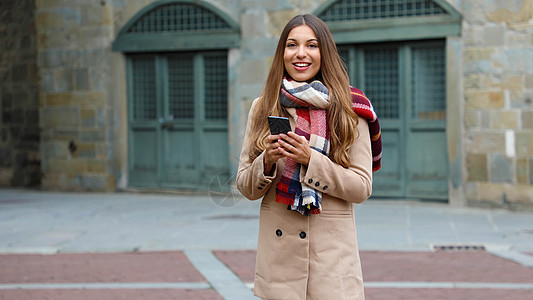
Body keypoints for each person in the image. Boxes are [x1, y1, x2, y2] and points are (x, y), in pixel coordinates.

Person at [236, 14, 381, 300]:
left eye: (311, 45)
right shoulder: (263, 105)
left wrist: (310, 160)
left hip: (331, 266)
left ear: (323, 53)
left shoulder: (351, 109)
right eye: (292, 45)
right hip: (280, 265)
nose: (301, 53)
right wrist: (266, 161)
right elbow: (244, 185)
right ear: (282, 53)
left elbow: (362, 187)